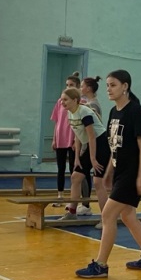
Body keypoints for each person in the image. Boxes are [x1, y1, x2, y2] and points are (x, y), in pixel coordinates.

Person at [76, 70, 141, 278]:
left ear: (125, 86)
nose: (109, 89)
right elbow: (114, 147)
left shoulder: (136, 111)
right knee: (128, 216)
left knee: (107, 214)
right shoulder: (114, 112)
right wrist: (109, 171)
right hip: (120, 171)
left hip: (132, 172)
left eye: (113, 85)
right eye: (107, 86)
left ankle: (101, 265)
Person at [59, 86, 110, 220]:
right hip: (89, 145)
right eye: (61, 100)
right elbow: (78, 136)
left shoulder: (85, 112)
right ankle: (72, 212)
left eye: (65, 100)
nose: (62, 102)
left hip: (101, 144)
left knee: (98, 182)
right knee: (76, 177)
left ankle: (106, 218)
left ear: (75, 100)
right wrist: (77, 157)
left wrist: (93, 158)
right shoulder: (70, 113)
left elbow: (92, 136)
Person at [50, 73, 80, 204]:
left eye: (71, 85)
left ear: (77, 87)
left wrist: (76, 140)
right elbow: (57, 121)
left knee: (74, 169)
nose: (68, 87)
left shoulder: (81, 103)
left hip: (73, 139)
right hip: (60, 138)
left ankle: (74, 198)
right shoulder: (60, 102)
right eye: (67, 85)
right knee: (60, 168)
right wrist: (54, 139)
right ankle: (60, 196)